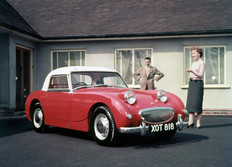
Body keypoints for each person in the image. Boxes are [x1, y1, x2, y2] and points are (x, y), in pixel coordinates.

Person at [186, 46, 206, 129]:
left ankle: (198, 123)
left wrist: (192, 71)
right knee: (190, 103)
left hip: (198, 84)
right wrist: (190, 76)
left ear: (199, 53)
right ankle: (190, 122)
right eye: (192, 53)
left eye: (194, 53)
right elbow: (193, 75)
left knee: (197, 104)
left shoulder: (202, 63)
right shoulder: (193, 63)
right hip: (192, 83)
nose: (193, 55)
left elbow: (201, 75)